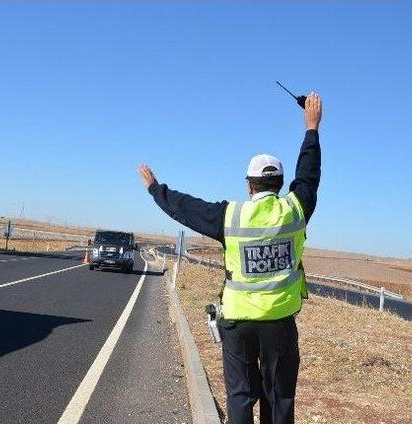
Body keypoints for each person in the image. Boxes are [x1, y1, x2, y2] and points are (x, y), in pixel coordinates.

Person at [138, 92, 322, 424]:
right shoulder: (296, 210)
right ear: (279, 185)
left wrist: (156, 189)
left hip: (237, 321)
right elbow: (308, 176)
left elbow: (186, 208)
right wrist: (311, 128)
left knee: (240, 396)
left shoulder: (231, 217)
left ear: (249, 186)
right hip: (279, 322)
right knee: (279, 397)